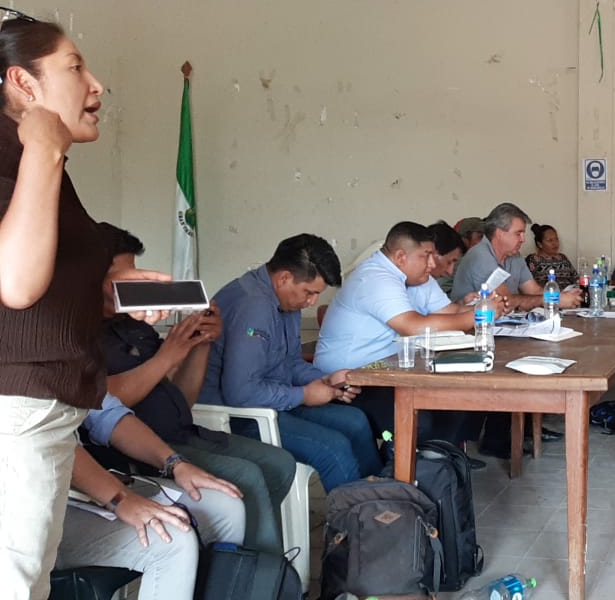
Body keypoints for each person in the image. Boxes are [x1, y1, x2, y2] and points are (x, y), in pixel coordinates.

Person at [0, 10, 169, 595]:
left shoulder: (38, 163)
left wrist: (111, 291)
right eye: (75, 68)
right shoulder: (23, 156)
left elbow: (42, 280)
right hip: (16, 412)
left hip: (45, 410)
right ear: (23, 83)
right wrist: (43, 148)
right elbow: (15, 282)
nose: (96, 85)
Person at [97, 223, 295, 553]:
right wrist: (167, 355)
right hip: (139, 453)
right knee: (246, 478)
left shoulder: (132, 323)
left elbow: (182, 398)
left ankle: (256, 561)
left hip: (184, 432)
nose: (135, 282)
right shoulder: (78, 333)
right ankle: (253, 568)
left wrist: (201, 342)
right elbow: (105, 402)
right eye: (125, 275)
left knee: (280, 464)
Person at [200, 234, 381, 491]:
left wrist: (323, 380)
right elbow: (241, 392)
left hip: (271, 402)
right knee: (332, 449)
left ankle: (381, 501)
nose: (312, 302)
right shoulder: (253, 306)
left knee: (356, 421)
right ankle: (357, 514)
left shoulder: (286, 303)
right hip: (235, 416)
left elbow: (289, 363)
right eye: (309, 292)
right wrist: (305, 395)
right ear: (284, 278)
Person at [316, 221, 500, 456]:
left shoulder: (415, 278)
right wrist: (478, 315)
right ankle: (395, 465)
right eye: (426, 256)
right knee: (419, 421)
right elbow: (414, 327)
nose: (432, 264)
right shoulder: (376, 278)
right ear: (401, 257)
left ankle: (437, 464)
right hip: (348, 382)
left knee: (461, 400)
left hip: (386, 373)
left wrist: (485, 306)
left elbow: (449, 312)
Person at [59, 393, 244, 600]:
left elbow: (108, 415)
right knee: (173, 540)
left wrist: (175, 463)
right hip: (45, 506)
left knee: (225, 504)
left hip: (92, 484)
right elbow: (49, 444)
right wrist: (119, 498)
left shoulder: (76, 372)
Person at [450, 202, 582, 311]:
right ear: (499, 233)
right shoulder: (480, 255)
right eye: (518, 234)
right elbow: (506, 301)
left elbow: (533, 290)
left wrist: (563, 296)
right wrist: (552, 299)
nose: (523, 240)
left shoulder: (515, 255)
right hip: (474, 327)